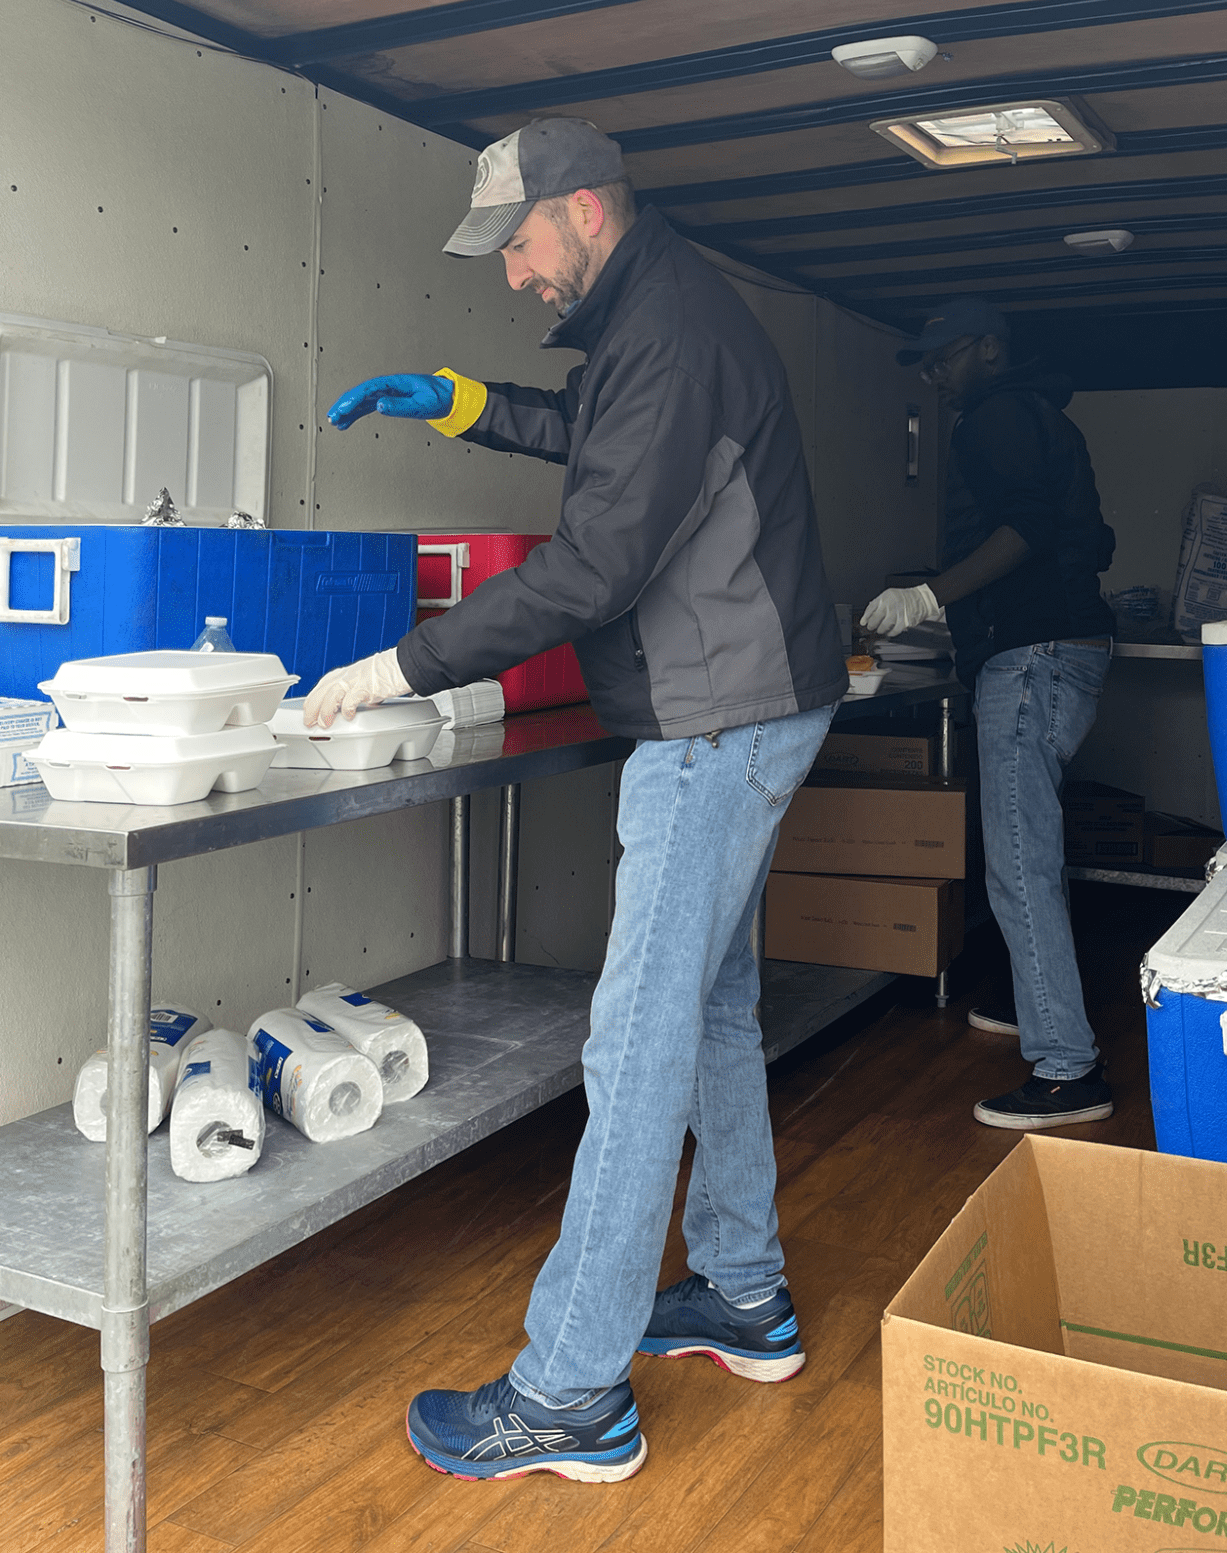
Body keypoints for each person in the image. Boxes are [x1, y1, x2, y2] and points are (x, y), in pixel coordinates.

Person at [304, 116, 847, 1483]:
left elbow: (596, 564)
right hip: (744, 703)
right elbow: (604, 445)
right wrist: (473, 404)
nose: (512, 273)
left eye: (521, 242)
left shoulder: (666, 334)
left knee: (637, 1038)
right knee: (711, 1009)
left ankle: (571, 1395)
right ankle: (741, 1293)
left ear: (587, 211)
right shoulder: (651, 316)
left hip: (715, 721)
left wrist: (400, 665)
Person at [861, 301, 1117, 1131]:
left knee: (1018, 861)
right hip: (1066, 650)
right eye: (925, 361)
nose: (934, 373)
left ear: (991, 351)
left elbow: (1026, 531)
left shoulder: (993, 418)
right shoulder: (1044, 417)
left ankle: (1067, 1071)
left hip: (1032, 659)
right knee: (1028, 848)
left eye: (946, 357)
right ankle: (1032, 1005)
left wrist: (933, 594)